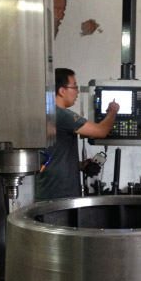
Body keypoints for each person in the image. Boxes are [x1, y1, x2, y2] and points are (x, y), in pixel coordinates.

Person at [35, 68, 119, 200]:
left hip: (49, 190)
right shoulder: (61, 114)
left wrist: (79, 165)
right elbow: (101, 131)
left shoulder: (47, 112)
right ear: (62, 91)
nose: (77, 91)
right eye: (74, 86)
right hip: (59, 194)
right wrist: (112, 111)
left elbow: (54, 154)